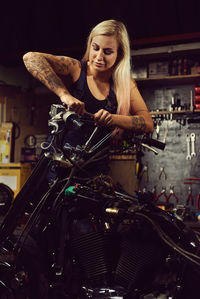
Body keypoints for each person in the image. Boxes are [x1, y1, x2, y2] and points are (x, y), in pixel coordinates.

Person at [23, 19, 154, 137]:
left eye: (107, 52)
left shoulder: (125, 84)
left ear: (120, 54)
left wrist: (113, 118)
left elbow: (148, 124)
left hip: (96, 161)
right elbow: (31, 58)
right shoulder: (76, 69)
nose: (99, 57)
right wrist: (65, 95)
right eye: (95, 48)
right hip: (60, 158)